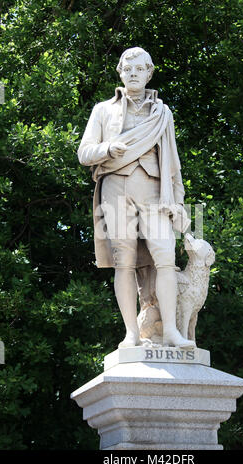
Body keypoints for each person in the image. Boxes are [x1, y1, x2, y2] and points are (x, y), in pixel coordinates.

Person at [78, 47, 195, 349]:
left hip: (156, 192)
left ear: (149, 73)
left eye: (139, 69)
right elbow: (84, 152)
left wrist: (179, 202)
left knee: (166, 257)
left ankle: (170, 330)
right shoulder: (103, 110)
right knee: (124, 263)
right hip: (115, 189)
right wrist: (107, 149)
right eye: (128, 69)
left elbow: (174, 164)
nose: (133, 74)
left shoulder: (163, 113)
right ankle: (131, 332)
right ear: (120, 72)